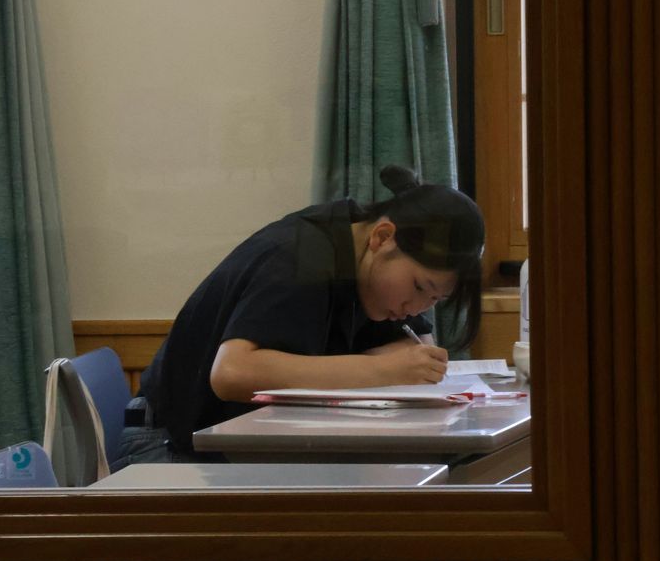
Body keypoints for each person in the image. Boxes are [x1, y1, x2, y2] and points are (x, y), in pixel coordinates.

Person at [117, 165, 485, 468]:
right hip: (170, 445)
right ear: (382, 237)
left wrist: (397, 364)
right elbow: (232, 373)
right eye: (419, 287)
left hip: (245, 444)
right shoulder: (304, 255)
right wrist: (379, 369)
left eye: (435, 299)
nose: (417, 307)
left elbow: (415, 353)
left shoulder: (373, 270)